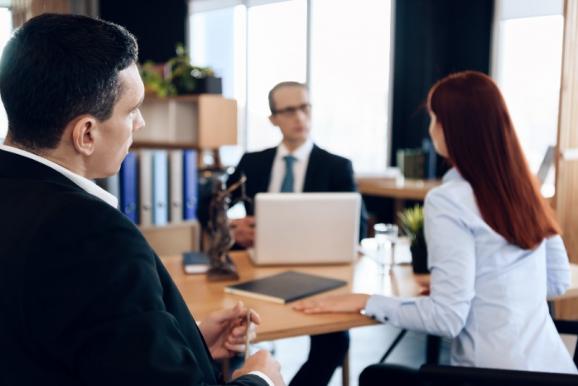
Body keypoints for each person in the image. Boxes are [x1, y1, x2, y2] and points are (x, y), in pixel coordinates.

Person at [0, 14, 284, 386]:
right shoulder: (92, 235)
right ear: (86, 133)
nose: (140, 123)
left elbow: (56, 342)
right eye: (132, 109)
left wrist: (189, 338)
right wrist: (260, 377)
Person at [293, 71, 578, 384]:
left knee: (375, 376)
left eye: (433, 119)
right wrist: (476, 289)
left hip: (490, 377)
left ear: (450, 128)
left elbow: (447, 318)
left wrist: (366, 301)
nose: (430, 129)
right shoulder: (527, 189)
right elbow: (556, 282)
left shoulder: (449, 200)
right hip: (554, 375)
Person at [227, 81, 367, 386]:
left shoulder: (337, 166)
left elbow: (358, 227)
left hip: (317, 277)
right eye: (289, 110)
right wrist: (231, 228)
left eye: (305, 108)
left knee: (335, 341)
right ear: (273, 119)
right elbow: (211, 207)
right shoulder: (253, 163)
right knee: (232, 335)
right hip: (255, 272)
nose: (299, 117)